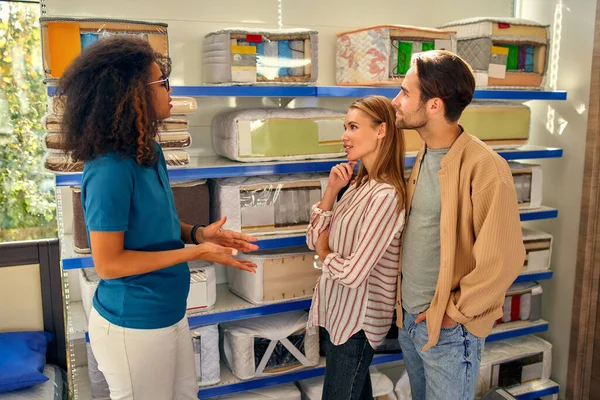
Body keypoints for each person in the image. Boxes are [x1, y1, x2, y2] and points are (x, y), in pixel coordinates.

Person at [57, 36, 258, 400]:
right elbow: (109, 263)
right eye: (161, 83)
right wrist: (194, 254)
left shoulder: (147, 150)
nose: (170, 91)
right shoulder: (108, 170)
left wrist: (198, 235)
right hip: (133, 324)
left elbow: (155, 226)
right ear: (130, 94)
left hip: (169, 311)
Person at [391, 50, 526, 400]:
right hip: (412, 321)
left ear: (434, 105)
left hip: (449, 331)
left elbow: (505, 258)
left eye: (406, 93)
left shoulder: (487, 168)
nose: (397, 101)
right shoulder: (423, 154)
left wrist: (454, 314)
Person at [306, 95, 406, 400]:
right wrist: (332, 190)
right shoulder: (359, 186)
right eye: (344, 127)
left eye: (352, 126)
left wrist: (325, 254)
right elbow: (313, 239)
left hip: (357, 324)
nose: (344, 136)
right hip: (338, 314)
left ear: (381, 131)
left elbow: (352, 274)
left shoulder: (386, 196)